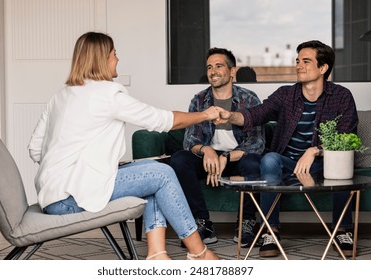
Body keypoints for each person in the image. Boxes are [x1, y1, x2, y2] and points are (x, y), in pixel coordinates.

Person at [27, 31, 220, 260]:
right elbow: (163, 121)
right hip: (71, 198)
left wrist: (83, 164)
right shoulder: (107, 93)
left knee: (151, 172)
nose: (117, 59)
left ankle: (157, 254)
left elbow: (35, 149)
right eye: (114, 54)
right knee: (163, 173)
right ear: (102, 59)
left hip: (52, 196)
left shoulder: (59, 96)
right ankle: (199, 253)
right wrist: (206, 114)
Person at [214, 40, 358, 258]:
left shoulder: (341, 96)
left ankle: (342, 230)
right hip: (287, 165)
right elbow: (256, 114)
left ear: (323, 67)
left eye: (306, 61)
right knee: (270, 159)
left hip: (322, 165)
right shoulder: (285, 95)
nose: (298, 65)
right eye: (297, 60)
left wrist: (315, 151)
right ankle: (270, 231)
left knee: (340, 163)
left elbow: (347, 136)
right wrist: (230, 115)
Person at [170, 47, 265, 248]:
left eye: (219, 66)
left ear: (232, 72)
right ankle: (202, 223)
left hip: (237, 159)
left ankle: (246, 223)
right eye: (209, 67)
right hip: (208, 160)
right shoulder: (199, 100)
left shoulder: (249, 99)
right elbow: (190, 140)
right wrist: (208, 151)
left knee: (255, 162)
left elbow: (256, 143)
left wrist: (227, 157)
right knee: (179, 159)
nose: (213, 71)